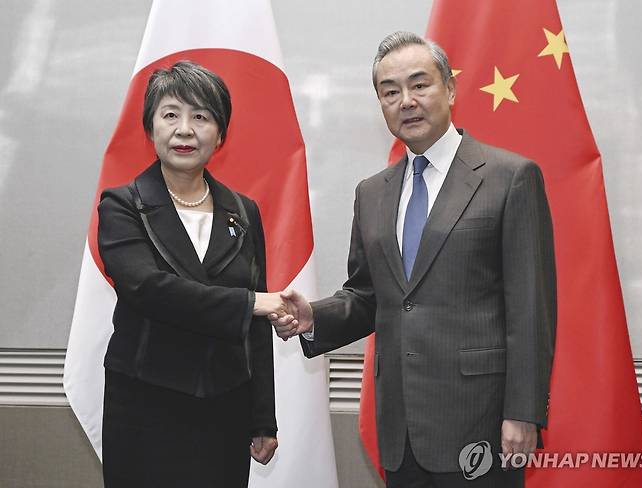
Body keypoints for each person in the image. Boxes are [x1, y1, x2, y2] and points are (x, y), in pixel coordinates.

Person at [271, 32, 556, 488]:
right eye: (390, 91)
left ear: (450, 89)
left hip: (480, 422)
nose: (406, 101)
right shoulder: (372, 192)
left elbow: (531, 309)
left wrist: (522, 413)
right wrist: (313, 317)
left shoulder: (510, 178)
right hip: (401, 426)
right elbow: (368, 295)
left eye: (420, 84)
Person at [98, 61, 283, 487]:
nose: (185, 130)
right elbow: (149, 289)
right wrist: (251, 302)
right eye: (170, 115)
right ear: (150, 128)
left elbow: (256, 331)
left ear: (220, 134)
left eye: (201, 116)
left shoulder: (243, 211)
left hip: (225, 407)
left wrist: (263, 418)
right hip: (145, 406)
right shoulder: (123, 206)